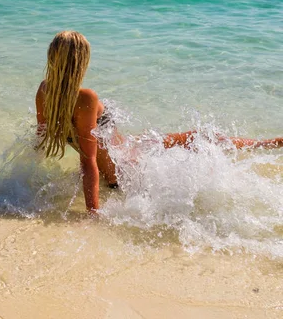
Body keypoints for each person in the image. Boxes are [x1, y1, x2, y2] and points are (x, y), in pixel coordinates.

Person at [36, 31, 283, 215]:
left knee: (185, 138)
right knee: (201, 137)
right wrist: (93, 215)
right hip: (127, 172)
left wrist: (21, 184)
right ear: (81, 62)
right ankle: (266, 144)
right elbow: (88, 161)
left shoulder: (45, 91)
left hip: (125, 154)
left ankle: (265, 143)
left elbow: (41, 137)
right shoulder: (86, 97)